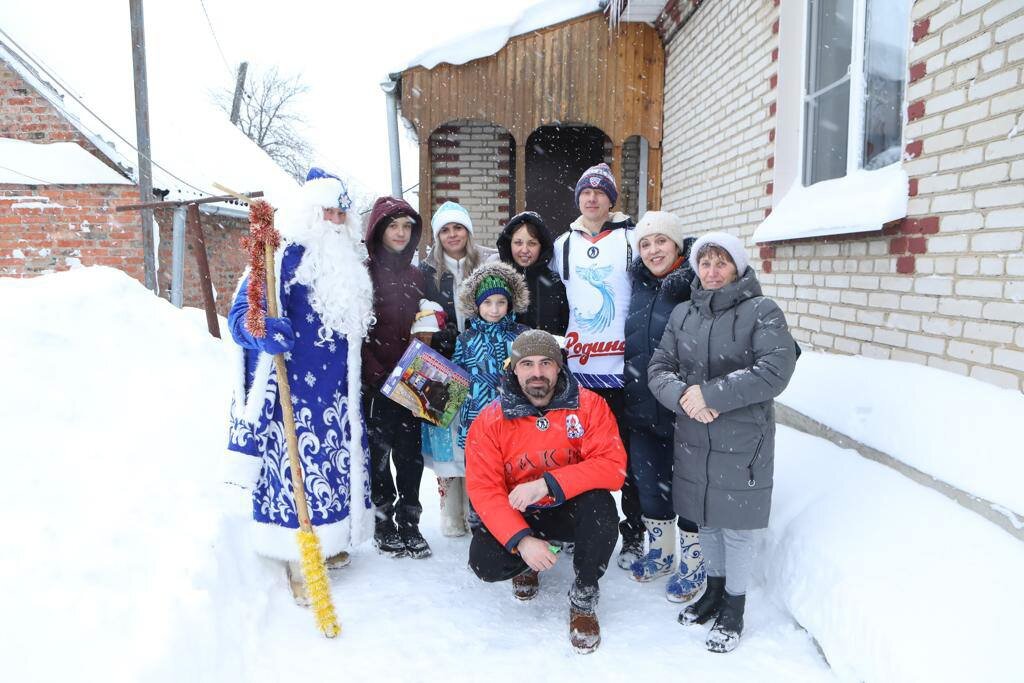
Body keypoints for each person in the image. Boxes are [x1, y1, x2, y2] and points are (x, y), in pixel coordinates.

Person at [225, 167, 374, 601]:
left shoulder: (352, 265)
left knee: (334, 471)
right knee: (297, 477)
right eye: (327, 211)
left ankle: (330, 543)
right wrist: (262, 329)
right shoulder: (279, 260)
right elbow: (242, 318)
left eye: (341, 213)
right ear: (309, 213)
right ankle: (297, 559)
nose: (335, 221)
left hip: (339, 396)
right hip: (293, 395)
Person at [648, 232, 796, 653]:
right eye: (705, 263)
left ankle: (735, 605)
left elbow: (775, 368)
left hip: (743, 437)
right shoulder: (683, 314)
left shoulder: (762, 311)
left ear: (738, 267)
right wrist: (682, 397)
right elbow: (661, 366)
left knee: (736, 526)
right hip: (695, 433)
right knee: (706, 517)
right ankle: (712, 592)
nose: (712, 272)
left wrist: (710, 395)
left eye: (721, 263)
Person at [465, 330, 626, 654]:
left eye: (545, 363)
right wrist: (522, 541)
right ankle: (527, 563)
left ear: (559, 367)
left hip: (567, 506)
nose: (537, 372)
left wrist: (547, 484)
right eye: (527, 364)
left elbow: (613, 467)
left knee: (602, 510)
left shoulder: (589, 406)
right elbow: (484, 490)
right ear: (514, 369)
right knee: (485, 563)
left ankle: (583, 598)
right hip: (519, 512)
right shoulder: (490, 420)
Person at [549, 162, 644, 569]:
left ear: (610, 200)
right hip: (579, 370)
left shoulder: (633, 238)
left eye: (600, 192)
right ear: (578, 200)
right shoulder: (561, 244)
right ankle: (573, 525)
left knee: (629, 457)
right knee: (575, 455)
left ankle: (635, 532)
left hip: (623, 371)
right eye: (586, 192)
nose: (592, 198)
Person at [622, 211, 706, 602]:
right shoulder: (636, 283)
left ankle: (693, 562)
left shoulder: (696, 283)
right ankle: (661, 553)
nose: (653, 250)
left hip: (684, 409)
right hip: (640, 405)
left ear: (677, 244)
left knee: (688, 489)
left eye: (661, 241)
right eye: (645, 243)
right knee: (647, 482)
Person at [420, 200, 497, 532]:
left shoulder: (489, 263)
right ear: (438, 236)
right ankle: (452, 511)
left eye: (458, 227)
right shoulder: (426, 271)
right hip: (442, 363)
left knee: (479, 434)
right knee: (446, 433)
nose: (452, 235)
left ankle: (479, 508)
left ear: (468, 230)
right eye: (446, 230)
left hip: (481, 359)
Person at [362, 196, 431, 559]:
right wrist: (376, 374)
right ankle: (383, 519)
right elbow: (355, 330)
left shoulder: (419, 276)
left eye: (407, 226)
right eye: (393, 226)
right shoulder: (364, 274)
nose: (401, 233)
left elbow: (431, 320)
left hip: (412, 384)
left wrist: (437, 325)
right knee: (379, 454)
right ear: (379, 230)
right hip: (376, 383)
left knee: (410, 456)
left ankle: (410, 520)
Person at [495, 211, 569, 335]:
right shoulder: (496, 281)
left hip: (546, 353)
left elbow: (565, 330)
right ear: (509, 244)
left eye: (532, 243)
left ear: (542, 246)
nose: (524, 250)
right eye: (518, 243)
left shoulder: (556, 285)